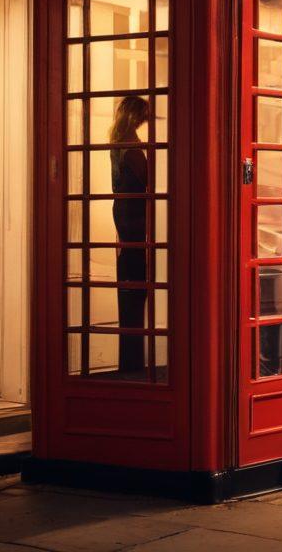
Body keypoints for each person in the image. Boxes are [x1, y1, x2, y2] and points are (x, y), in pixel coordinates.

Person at [110, 95, 151, 376]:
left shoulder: (119, 145)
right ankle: (134, 367)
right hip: (137, 229)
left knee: (129, 299)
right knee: (136, 299)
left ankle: (130, 363)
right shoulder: (134, 151)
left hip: (127, 228)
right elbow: (144, 190)